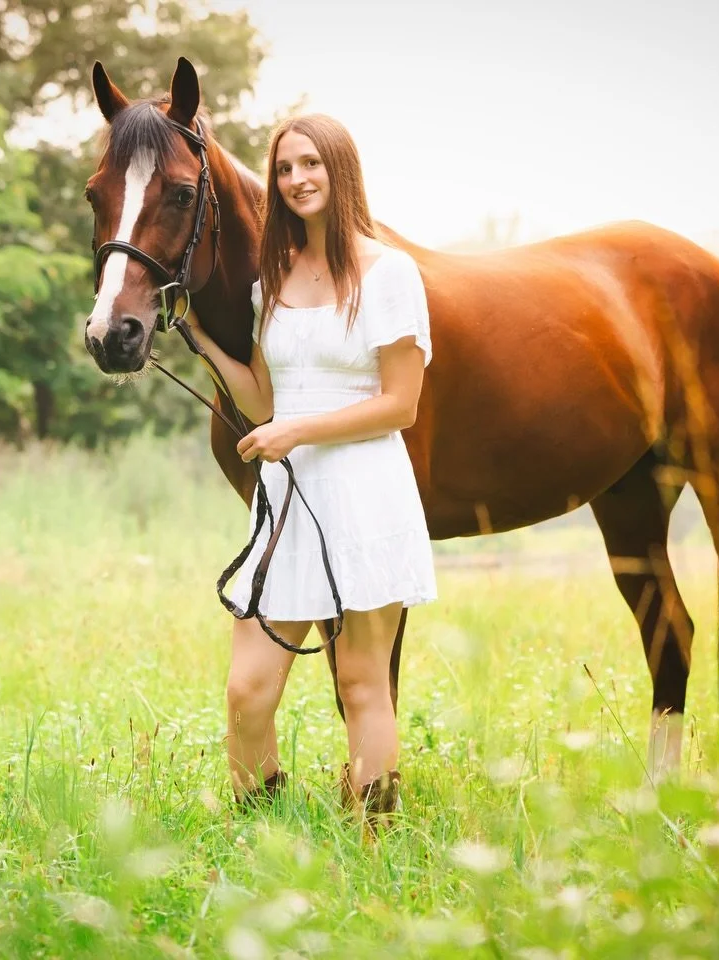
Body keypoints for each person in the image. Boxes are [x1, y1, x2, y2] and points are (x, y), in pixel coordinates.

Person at [186, 113, 435, 826]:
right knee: (248, 690)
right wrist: (204, 339)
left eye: (310, 164)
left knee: (361, 684)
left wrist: (297, 431)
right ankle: (260, 829)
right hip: (288, 504)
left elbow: (401, 406)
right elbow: (266, 400)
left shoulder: (390, 273)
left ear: (340, 169)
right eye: (285, 168)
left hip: (365, 494)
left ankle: (375, 837)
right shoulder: (273, 279)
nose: (296, 179)